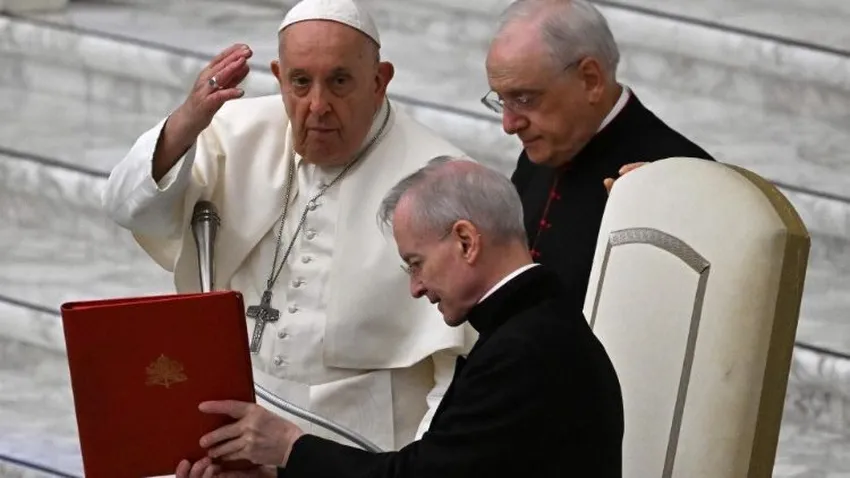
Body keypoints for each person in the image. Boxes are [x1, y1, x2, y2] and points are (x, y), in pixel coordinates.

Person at [100, 0, 473, 452]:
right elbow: (127, 207)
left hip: (361, 446)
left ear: (379, 81)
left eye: (339, 81)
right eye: (300, 82)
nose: (318, 105)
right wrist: (185, 124)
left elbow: (457, 369)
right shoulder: (233, 132)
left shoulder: (443, 178)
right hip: (236, 427)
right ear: (279, 77)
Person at [174, 156, 625, 478]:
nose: (416, 288)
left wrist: (291, 448)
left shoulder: (526, 350)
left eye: (415, 263)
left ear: (466, 241)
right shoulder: (536, 325)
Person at [483, 0, 715, 306]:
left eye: (524, 98)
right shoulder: (543, 147)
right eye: (502, 100)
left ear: (590, 79)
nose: (508, 125)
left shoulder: (682, 176)